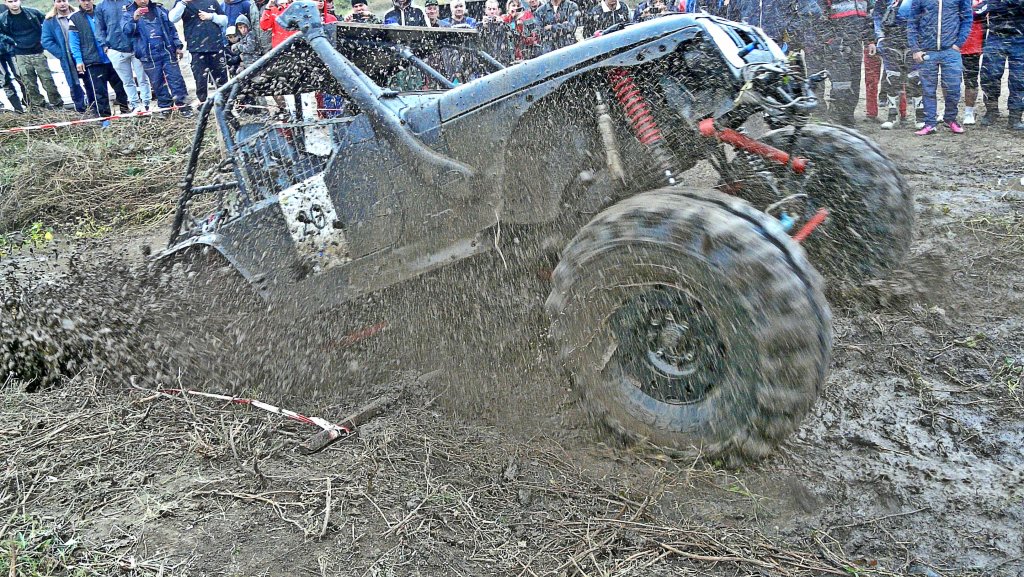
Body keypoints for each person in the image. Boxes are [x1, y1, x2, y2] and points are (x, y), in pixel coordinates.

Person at [907, 0, 972, 135]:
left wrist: (958, 44)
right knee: (928, 89)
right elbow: (912, 22)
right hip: (927, 51)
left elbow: (967, 18)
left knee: (953, 87)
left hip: (951, 51)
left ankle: (950, 119)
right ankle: (930, 123)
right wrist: (915, 48)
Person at [121, 0, 191, 116]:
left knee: (176, 79)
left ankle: (183, 106)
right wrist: (134, 19)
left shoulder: (160, 9)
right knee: (157, 83)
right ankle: (165, 108)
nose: (143, 1)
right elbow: (127, 32)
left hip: (166, 50)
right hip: (148, 54)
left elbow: (171, 29)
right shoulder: (128, 13)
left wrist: (178, 45)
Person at [69, 0, 129, 122]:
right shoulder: (74, 18)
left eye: (88, 0)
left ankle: (125, 114)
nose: (86, 3)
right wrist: (79, 60)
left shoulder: (102, 10)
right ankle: (105, 120)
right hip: (93, 60)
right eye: (83, 0)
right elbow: (74, 42)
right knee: (100, 93)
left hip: (112, 57)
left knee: (121, 88)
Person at [816, 0, 874, 126]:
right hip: (837, 44)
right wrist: (830, 39)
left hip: (856, 44)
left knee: (854, 83)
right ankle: (836, 119)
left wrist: (870, 40)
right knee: (840, 83)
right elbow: (820, 17)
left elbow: (868, 19)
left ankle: (848, 118)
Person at [0, 0, 64, 110]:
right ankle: (38, 106)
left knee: (47, 80)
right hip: (20, 54)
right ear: (6, 3)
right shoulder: (3, 18)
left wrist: (44, 39)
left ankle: (57, 105)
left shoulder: (33, 13)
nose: (14, 4)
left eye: (16, 1)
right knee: (29, 83)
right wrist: (11, 41)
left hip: (37, 51)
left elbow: (48, 22)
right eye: (10, 1)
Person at [169, 0, 228, 106]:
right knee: (200, 80)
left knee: (222, 80)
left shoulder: (212, 1)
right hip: (196, 49)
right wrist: (183, 3)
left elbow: (224, 20)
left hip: (216, 46)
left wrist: (211, 17)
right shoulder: (182, 2)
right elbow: (173, 18)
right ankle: (202, 106)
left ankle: (225, 105)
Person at [96, 0, 152, 112]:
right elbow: (99, 28)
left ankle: (146, 103)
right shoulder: (101, 6)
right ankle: (135, 105)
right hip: (115, 49)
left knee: (143, 78)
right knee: (127, 81)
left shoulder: (130, 1)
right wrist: (105, 45)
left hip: (136, 46)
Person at [874, 0, 921, 128]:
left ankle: (920, 117)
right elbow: (877, 15)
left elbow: (927, 14)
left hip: (913, 38)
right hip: (891, 39)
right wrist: (880, 36)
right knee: (892, 79)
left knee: (916, 79)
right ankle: (892, 116)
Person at [978, 0, 1024, 129]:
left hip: (1020, 38)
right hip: (996, 37)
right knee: (989, 75)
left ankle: (1015, 116)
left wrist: (1002, 5)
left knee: (1019, 79)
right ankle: (991, 110)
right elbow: (978, 11)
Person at [41, 0, 91, 112]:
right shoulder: (50, 21)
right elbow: (46, 41)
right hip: (68, 58)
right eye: (59, 1)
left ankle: (94, 106)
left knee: (90, 81)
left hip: (85, 54)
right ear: (54, 3)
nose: (62, 4)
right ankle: (81, 109)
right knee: (74, 84)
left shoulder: (79, 14)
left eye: (64, 0)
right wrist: (61, 53)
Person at [959, 0, 984, 124]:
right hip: (950, 44)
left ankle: (969, 112)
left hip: (972, 46)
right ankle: (948, 111)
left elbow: (981, 11)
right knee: (948, 81)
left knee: (971, 81)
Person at [0, 26, 25, 112]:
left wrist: (13, 41)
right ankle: (18, 108)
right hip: (9, 48)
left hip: (11, 50)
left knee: (21, 76)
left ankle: (28, 102)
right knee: (5, 81)